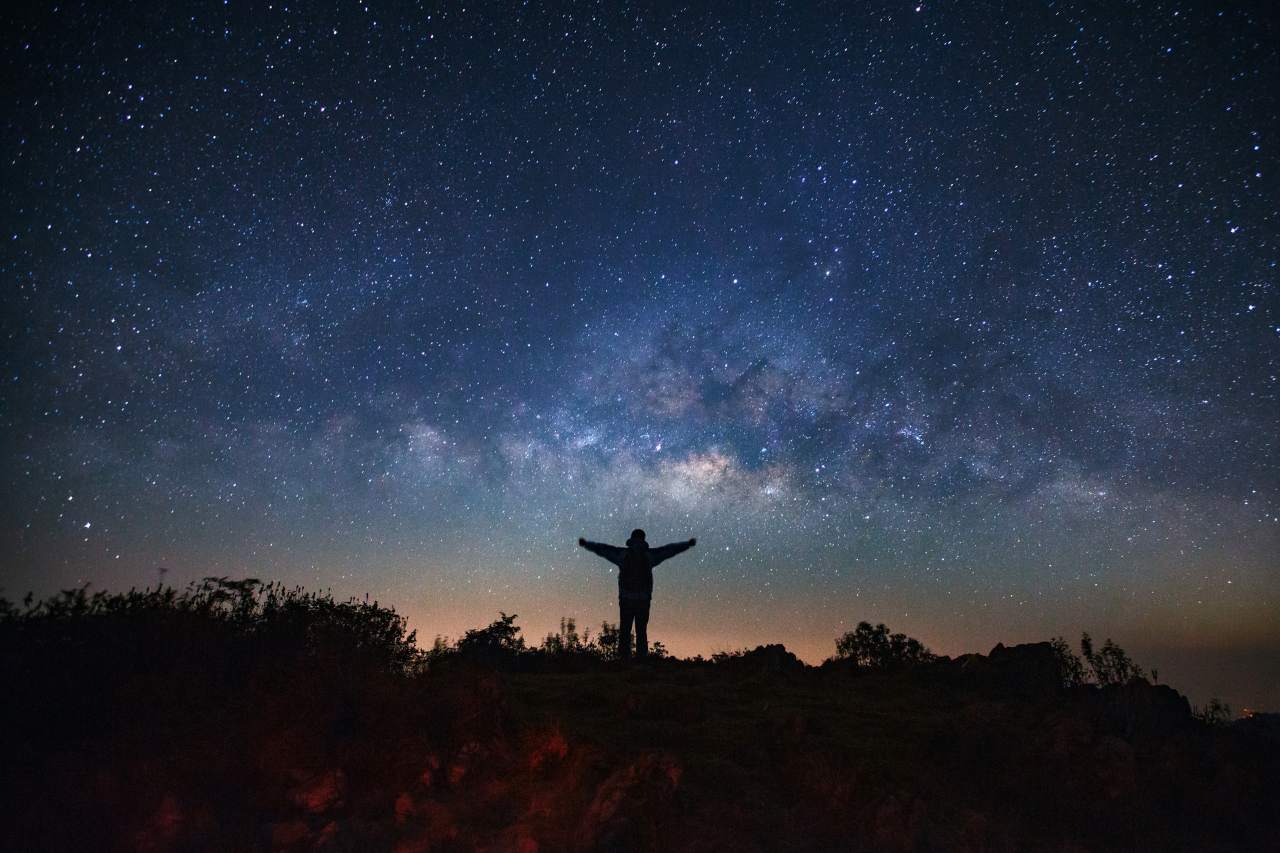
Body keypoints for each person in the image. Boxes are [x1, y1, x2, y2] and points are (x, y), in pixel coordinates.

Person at [578, 529, 696, 660]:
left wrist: (587, 544)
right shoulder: (649, 555)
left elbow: (604, 550)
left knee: (626, 630)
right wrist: (686, 545)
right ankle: (640, 659)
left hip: (627, 599)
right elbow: (668, 550)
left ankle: (625, 659)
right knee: (640, 631)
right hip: (642, 600)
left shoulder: (623, 554)